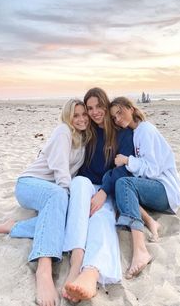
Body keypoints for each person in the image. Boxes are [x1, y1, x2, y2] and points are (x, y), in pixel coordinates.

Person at [0, 99, 91, 306]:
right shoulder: (63, 131)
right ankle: (44, 268)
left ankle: (10, 227)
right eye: (76, 115)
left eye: (84, 114)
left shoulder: (84, 139)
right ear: (68, 116)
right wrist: (66, 197)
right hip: (30, 184)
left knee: (63, 216)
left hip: (53, 191)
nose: (81, 118)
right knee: (59, 198)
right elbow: (60, 170)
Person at [63, 88, 135, 302]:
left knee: (101, 216)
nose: (94, 113)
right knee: (80, 185)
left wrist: (104, 191)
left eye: (99, 107)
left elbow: (125, 169)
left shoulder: (124, 133)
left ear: (106, 104)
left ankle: (91, 272)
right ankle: (75, 266)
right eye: (90, 108)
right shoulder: (89, 133)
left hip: (108, 187)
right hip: (85, 184)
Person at [109, 96, 180, 279]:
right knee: (120, 189)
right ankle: (151, 222)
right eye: (114, 117)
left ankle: (141, 250)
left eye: (120, 112)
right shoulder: (136, 133)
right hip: (155, 188)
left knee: (123, 184)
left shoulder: (146, 130)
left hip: (165, 190)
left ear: (131, 108)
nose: (118, 118)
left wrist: (127, 160)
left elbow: (152, 169)